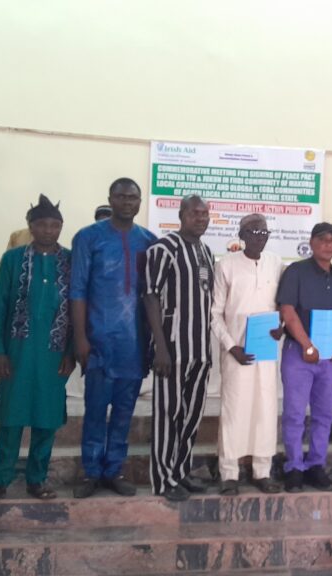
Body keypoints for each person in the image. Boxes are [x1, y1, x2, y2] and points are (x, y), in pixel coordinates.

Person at [0, 195, 75, 505]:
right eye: (42, 224)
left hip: (54, 352)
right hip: (16, 352)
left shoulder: (71, 261)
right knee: (11, 416)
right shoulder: (13, 259)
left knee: (46, 417)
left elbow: (77, 308)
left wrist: (71, 350)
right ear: (31, 226)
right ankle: (0, 478)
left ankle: (37, 477)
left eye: (55, 225)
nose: (49, 230)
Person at [70, 177, 156, 498]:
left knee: (124, 410)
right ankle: (91, 471)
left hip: (134, 343)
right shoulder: (88, 238)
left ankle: (114, 469)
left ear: (139, 202)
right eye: (120, 197)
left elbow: (153, 295)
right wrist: (80, 337)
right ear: (110, 199)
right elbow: (77, 290)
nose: (126, 202)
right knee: (94, 409)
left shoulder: (149, 241)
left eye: (132, 198)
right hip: (97, 340)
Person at [142, 196, 214, 501]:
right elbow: (150, 296)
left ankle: (180, 471)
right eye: (195, 213)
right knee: (168, 414)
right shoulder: (163, 249)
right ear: (181, 215)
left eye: (205, 214)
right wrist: (160, 346)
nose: (201, 218)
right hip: (172, 349)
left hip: (201, 350)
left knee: (191, 415)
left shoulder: (206, 252)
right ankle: (163, 478)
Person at [210, 214, 284, 496]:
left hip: (266, 351)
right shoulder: (225, 266)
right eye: (253, 231)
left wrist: (282, 328)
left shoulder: (276, 264)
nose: (259, 236)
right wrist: (231, 346)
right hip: (236, 351)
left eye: (263, 232)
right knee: (234, 411)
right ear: (241, 235)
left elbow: (283, 305)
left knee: (265, 410)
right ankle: (229, 472)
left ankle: (262, 471)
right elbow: (215, 313)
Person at [276, 222, 332, 492]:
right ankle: (294, 466)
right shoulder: (296, 271)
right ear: (311, 242)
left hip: (330, 359)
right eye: (322, 240)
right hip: (300, 355)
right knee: (295, 413)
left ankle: (316, 465)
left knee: (324, 414)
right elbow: (287, 311)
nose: (328, 245)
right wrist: (307, 345)